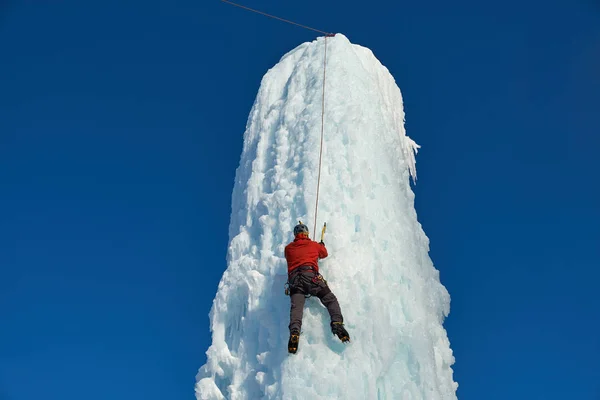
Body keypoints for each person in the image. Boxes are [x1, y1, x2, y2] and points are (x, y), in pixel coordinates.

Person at [284, 222, 350, 354]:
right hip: (311, 277)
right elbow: (324, 253)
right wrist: (321, 246)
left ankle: (295, 331)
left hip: (295, 281)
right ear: (307, 233)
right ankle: (337, 323)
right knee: (329, 299)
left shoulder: (288, 249)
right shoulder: (313, 245)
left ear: (295, 235)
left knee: (296, 309)